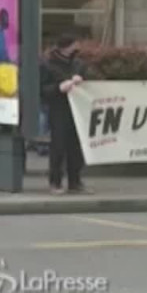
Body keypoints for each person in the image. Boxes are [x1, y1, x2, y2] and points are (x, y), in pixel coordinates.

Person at [41, 34, 89, 195]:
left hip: (77, 109)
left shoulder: (78, 64)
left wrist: (81, 80)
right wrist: (58, 88)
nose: (77, 47)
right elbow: (43, 90)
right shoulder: (48, 65)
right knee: (58, 146)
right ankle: (55, 181)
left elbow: (90, 83)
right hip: (59, 108)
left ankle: (75, 181)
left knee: (76, 147)